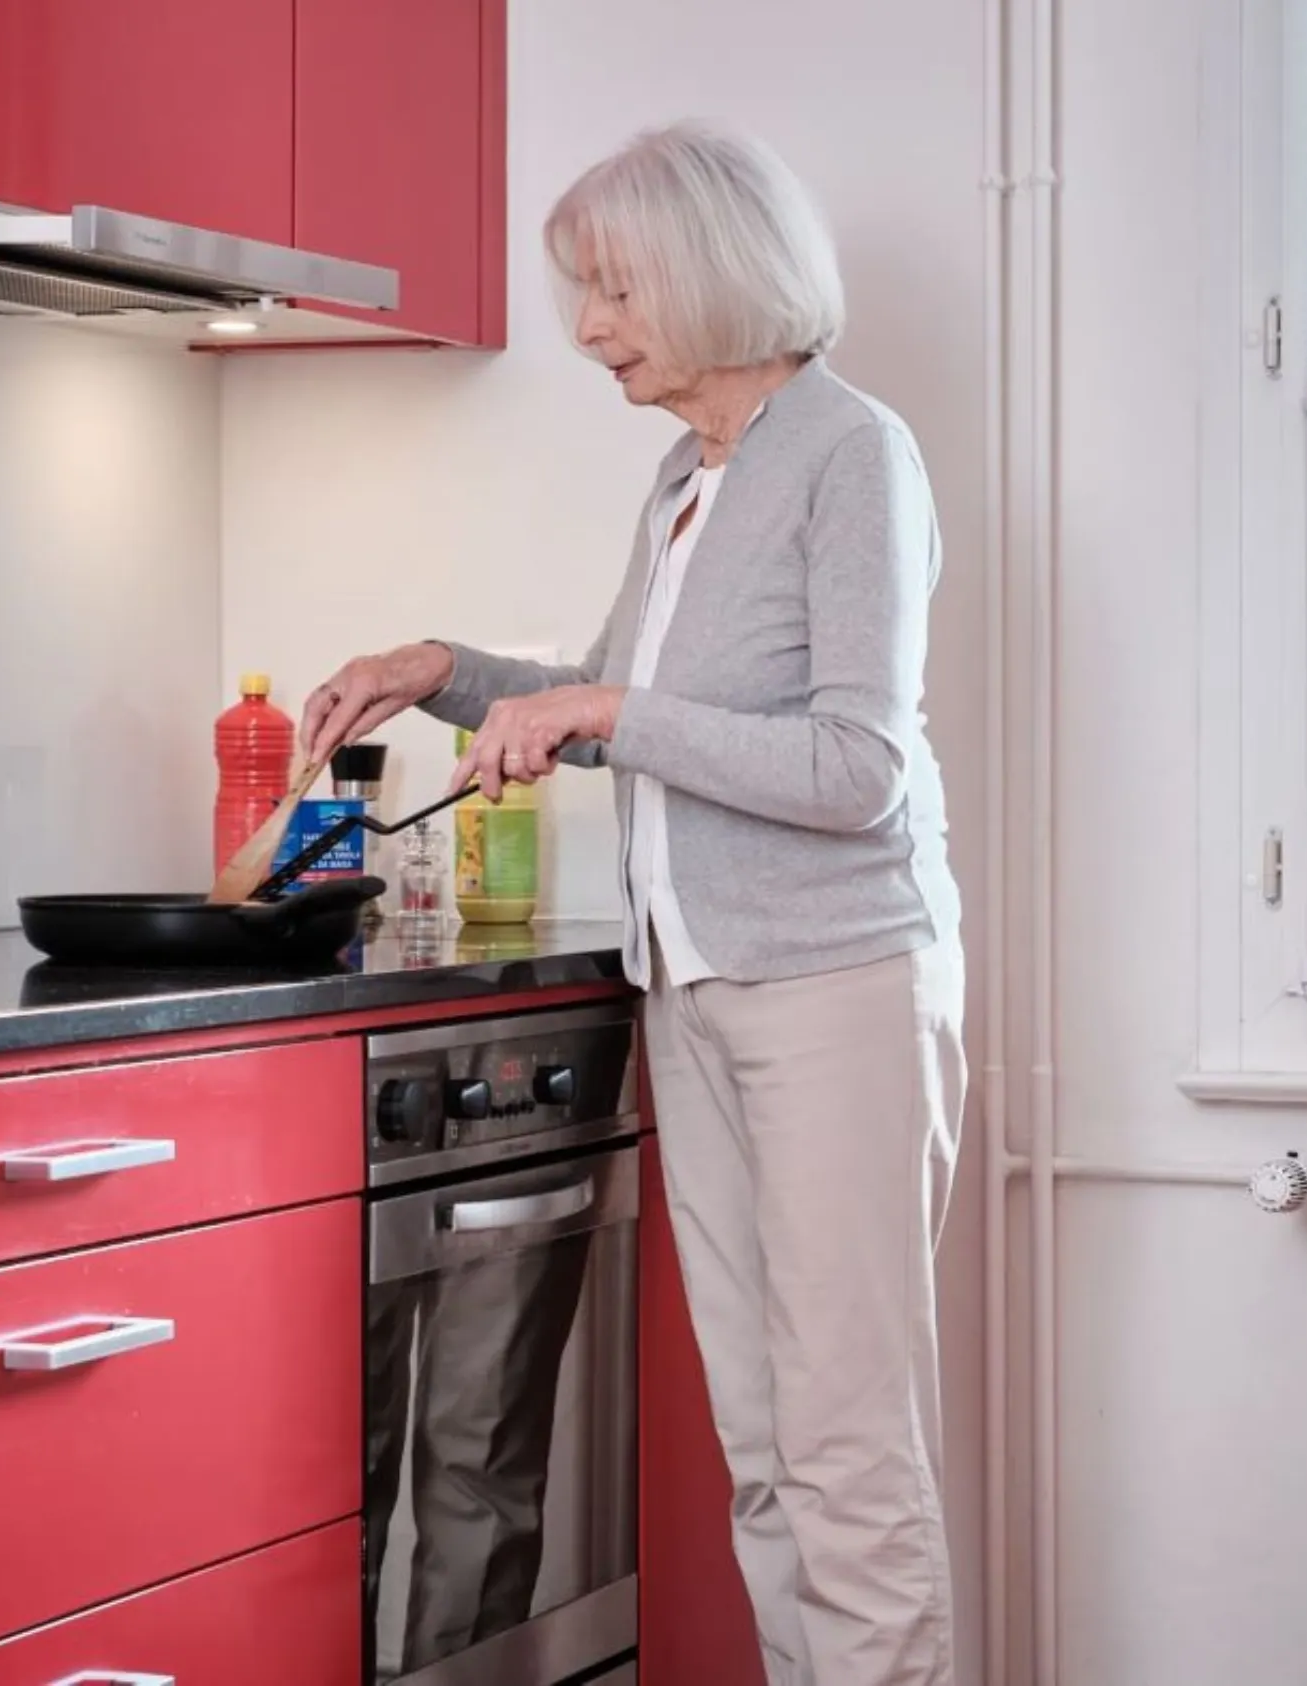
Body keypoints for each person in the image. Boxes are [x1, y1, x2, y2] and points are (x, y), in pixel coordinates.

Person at [302, 120, 964, 1686]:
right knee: (762, 1440)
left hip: (836, 985)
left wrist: (603, 713)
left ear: (713, 271)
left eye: (612, 291)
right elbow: (618, 692)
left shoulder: (850, 455)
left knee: (847, 1448)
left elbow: (854, 766)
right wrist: (436, 669)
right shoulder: (688, 476)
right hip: (703, 986)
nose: (590, 329)